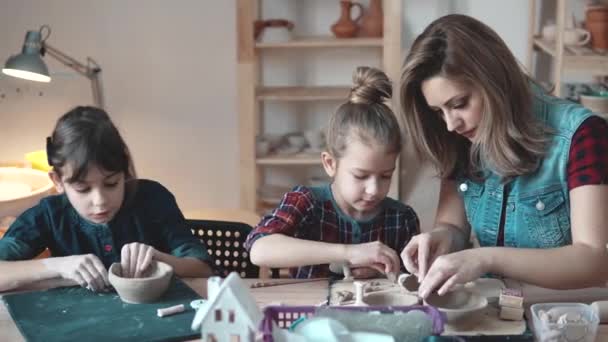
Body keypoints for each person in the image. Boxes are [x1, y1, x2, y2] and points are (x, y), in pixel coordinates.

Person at [399, 14, 608, 299]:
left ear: (494, 80)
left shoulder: (582, 135)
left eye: (459, 104)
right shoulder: (459, 137)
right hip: (492, 307)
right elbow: (452, 225)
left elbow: (593, 261)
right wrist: (440, 237)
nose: (450, 124)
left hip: (558, 314)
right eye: (439, 111)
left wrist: (485, 258)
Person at [0, 106, 213, 292]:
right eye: (83, 189)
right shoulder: (49, 215)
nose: (100, 201)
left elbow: (203, 268)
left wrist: (160, 260)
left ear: (125, 171)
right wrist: (58, 265)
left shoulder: (153, 199)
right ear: (58, 181)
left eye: (111, 184)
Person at [245, 66, 420, 279]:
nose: (373, 190)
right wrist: (349, 253)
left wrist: (383, 274)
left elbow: (412, 281)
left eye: (385, 176)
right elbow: (259, 249)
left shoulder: (401, 219)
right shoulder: (305, 202)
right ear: (330, 164)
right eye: (360, 176)